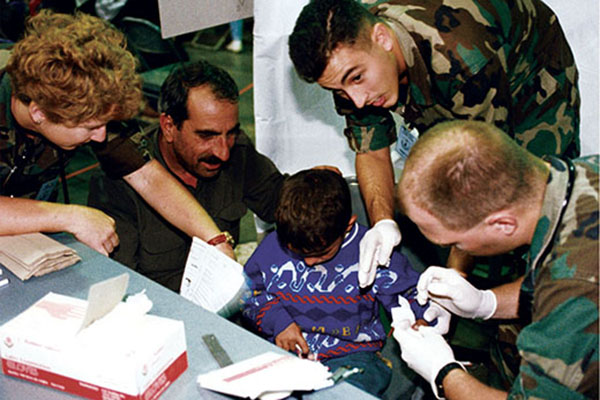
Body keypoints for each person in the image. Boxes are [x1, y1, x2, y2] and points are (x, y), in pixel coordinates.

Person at [288, 0, 581, 287]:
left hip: (531, 82)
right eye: (338, 90)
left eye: (357, 78)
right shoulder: (349, 61)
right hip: (448, 74)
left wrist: (453, 279)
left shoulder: (462, 59)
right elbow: (370, 150)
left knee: (525, 204)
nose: (357, 100)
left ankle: (532, 305)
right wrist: (383, 224)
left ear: (382, 38)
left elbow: (482, 179)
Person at [0, 10, 237, 259]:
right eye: (90, 128)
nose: (101, 137)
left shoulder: (86, 102)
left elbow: (148, 177)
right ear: (39, 113)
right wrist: (68, 216)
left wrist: (215, 240)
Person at [391, 120, 598, 399]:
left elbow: (572, 286)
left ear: (502, 224)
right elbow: (557, 280)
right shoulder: (582, 177)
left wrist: (442, 372)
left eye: (455, 243)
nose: (456, 250)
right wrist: (485, 303)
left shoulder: (576, 281)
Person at [88, 60, 285, 292]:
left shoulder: (236, 151)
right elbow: (121, 287)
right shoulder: (119, 183)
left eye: (230, 133)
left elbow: (280, 203)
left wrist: (317, 190)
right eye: (206, 135)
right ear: (169, 126)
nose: (222, 152)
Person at [243, 169, 442, 397]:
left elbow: (410, 293)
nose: (309, 262)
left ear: (348, 226)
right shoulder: (273, 247)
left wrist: (421, 319)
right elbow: (247, 293)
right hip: (285, 353)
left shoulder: (372, 251)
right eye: (296, 252)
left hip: (354, 357)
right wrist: (278, 322)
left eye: (321, 253)